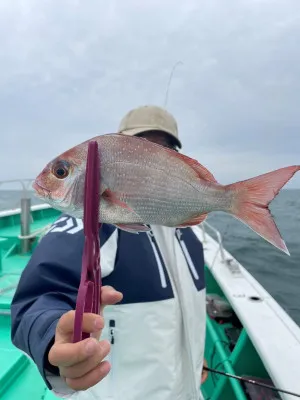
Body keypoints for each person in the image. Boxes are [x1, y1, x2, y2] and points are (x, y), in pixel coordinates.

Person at [11, 105, 208, 400]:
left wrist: (194, 357)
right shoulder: (93, 221)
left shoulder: (187, 232)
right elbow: (39, 298)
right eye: (140, 147)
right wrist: (54, 337)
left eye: (166, 151)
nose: (152, 160)